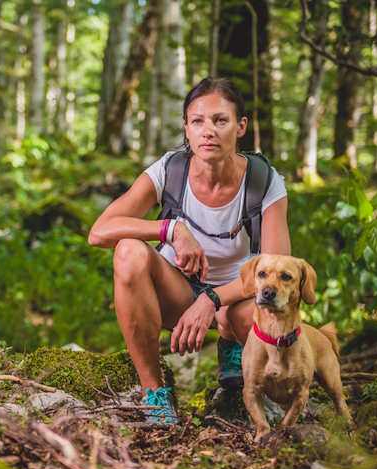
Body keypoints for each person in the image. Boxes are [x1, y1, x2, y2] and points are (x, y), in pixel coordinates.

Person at [88, 78, 290, 424]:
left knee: (260, 313)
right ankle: (155, 393)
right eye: (197, 121)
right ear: (185, 127)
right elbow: (99, 232)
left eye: (220, 120)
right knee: (128, 252)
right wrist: (169, 229)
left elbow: (277, 271)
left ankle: (238, 355)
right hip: (176, 293)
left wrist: (211, 300)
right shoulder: (170, 170)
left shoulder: (263, 181)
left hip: (235, 303)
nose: (207, 131)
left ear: (241, 126)